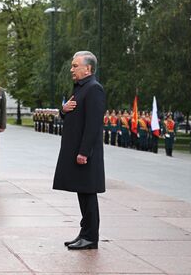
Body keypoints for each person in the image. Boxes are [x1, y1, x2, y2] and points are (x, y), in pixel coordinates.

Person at [53, 51, 105, 250]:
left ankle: (91, 237)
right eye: (72, 65)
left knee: (88, 194)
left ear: (88, 69)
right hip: (77, 151)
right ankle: (84, 233)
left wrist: (84, 152)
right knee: (82, 193)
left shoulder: (94, 89)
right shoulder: (81, 88)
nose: (71, 69)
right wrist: (63, 111)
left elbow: (93, 125)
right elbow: (73, 114)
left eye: (75, 66)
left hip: (86, 155)